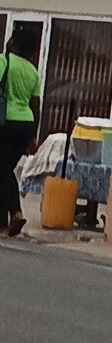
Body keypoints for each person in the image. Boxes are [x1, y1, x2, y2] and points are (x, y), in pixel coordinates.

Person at [0, 29, 41, 238]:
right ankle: (13, 216)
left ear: (13, 42)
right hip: (25, 124)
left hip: (6, 122)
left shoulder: (4, 61)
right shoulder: (33, 71)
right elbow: (36, 106)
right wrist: (33, 136)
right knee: (5, 170)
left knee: (2, 170)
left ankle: (9, 219)